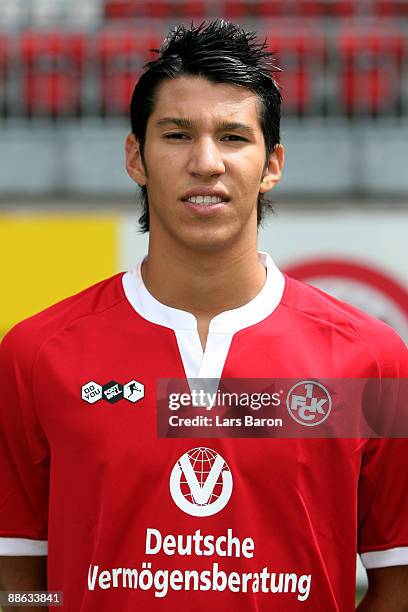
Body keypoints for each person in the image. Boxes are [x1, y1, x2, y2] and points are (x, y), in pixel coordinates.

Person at [0, 20, 407, 612]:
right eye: (177, 134)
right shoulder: (37, 353)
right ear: (136, 157)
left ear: (272, 164)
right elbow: (18, 584)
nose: (206, 162)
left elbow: (398, 579)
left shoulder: (372, 359)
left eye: (234, 137)